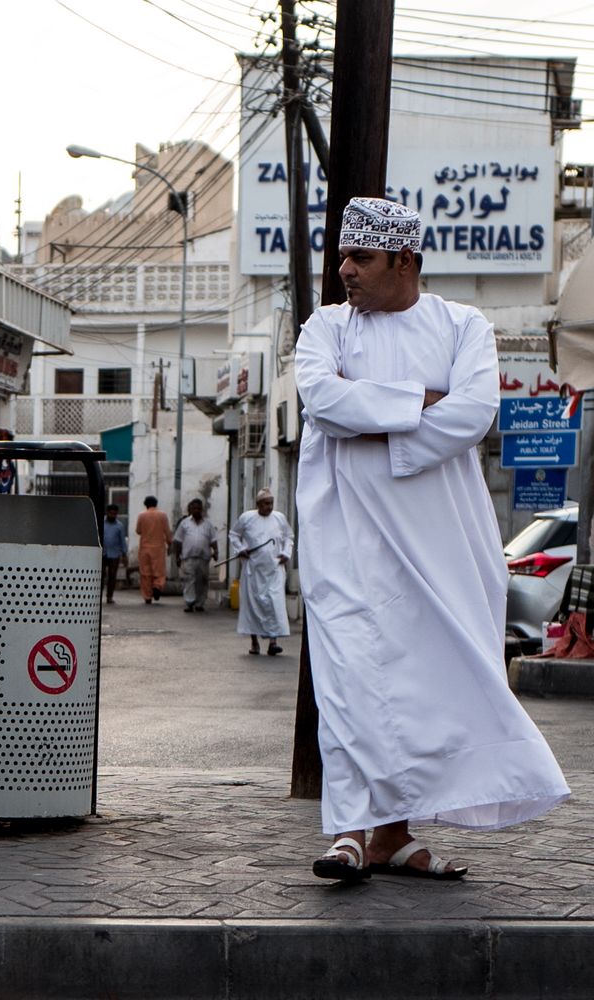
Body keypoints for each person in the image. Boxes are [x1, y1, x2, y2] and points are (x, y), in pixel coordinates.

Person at [295, 196, 569, 883]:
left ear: (405, 260)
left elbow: (474, 413)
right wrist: (421, 400)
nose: (346, 271)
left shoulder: (462, 324)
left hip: (443, 538)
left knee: (425, 682)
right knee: (352, 676)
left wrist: (377, 408)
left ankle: (393, 835)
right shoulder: (324, 327)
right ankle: (350, 832)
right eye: (342, 258)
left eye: (361, 258)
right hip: (348, 536)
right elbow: (322, 400)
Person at [229, 489, 292, 654]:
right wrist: (241, 549)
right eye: (265, 503)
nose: (269, 506)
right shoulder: (247, 518)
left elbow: (288, 537)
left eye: (271, 503)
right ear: (258, 504)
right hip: (253, 570)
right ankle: (254, 642)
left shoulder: (279, 518)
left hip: (274, 569)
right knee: (253, 605)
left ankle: (273, 642)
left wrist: (286, 553)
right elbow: (234, 534)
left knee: (274, 603)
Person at [172, 498, 218, 612]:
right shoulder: (184, 523)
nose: (196, 510)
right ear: (190, 510)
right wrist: (177, 556)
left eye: (198, 508)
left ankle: (200, 603)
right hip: (189, 557)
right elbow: (178, 541)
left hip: (204, 558)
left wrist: (216, 552)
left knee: (202, 581)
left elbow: (213, 540)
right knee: (189, 580)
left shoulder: (208, 525)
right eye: (194, 508)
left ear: (201, 509)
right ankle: (189, 602)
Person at [135, 495, 172, 604]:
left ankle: (147, 596)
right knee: (159, 571)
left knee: (145, 572)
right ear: (156, 504)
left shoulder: (142, 515)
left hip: (145, 548)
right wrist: (170, 543)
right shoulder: (163, 515)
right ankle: (157, 586)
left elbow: (138, 531)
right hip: (158, 548)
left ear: (145, 504)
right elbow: (167, 532)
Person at [101, 504, 127, 604]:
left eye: (115, 514)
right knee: (101, 575)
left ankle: (109, 596)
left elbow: (122, 541)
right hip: (103, 553)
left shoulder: (119, 526)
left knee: (112, 576)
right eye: (111, 513)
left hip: (114, 554)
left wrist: (124, 555)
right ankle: (98, 596)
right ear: (107, 513)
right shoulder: (101, 522)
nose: (112, 515)